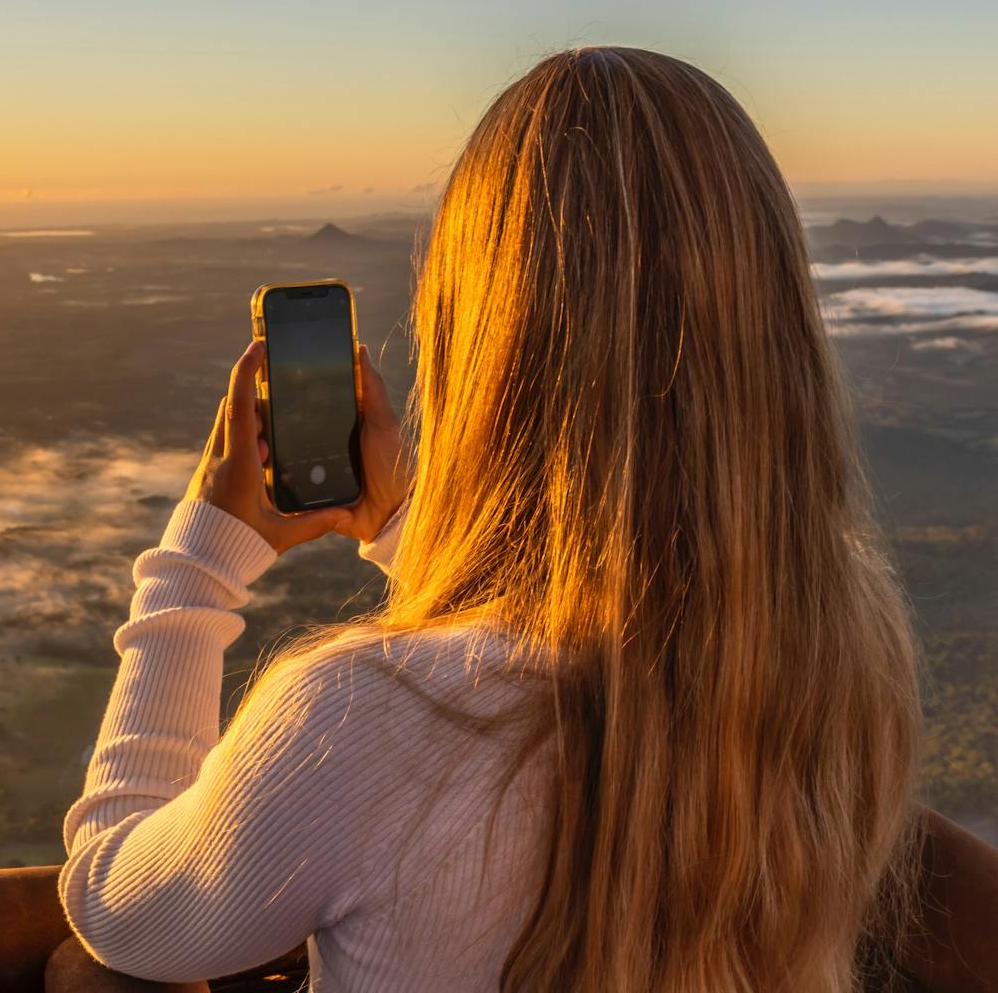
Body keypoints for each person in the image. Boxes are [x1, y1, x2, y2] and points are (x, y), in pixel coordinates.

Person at [59, 48, 929, 991]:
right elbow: (598, 646)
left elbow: (119, 905)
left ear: (485, 335)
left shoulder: (360, 720)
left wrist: (198, 562)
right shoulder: (846, 655)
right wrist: (406, 527)